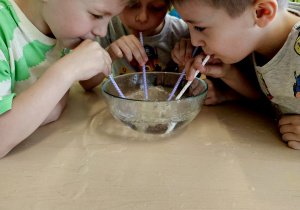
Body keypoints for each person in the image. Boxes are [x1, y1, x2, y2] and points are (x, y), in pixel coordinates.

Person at [0, 0, 136, 158]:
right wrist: (67, 70)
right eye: (97, 15)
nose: (102, 32)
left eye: (111, 19)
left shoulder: (62, 29)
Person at [171, 0, 300, 149]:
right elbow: (269, 96)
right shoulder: (255, 35)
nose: (194, 41)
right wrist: (228, 75)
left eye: (200, 27)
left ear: (262, 12)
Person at [80, 0, 190, 91]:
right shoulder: (107, 27)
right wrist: (109, 54)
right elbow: (86, 84)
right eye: (131, 5)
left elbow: (190, 90)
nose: (142, 18)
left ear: (169, 6)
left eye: (156, 7)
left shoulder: (183, 34)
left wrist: (184, 67)